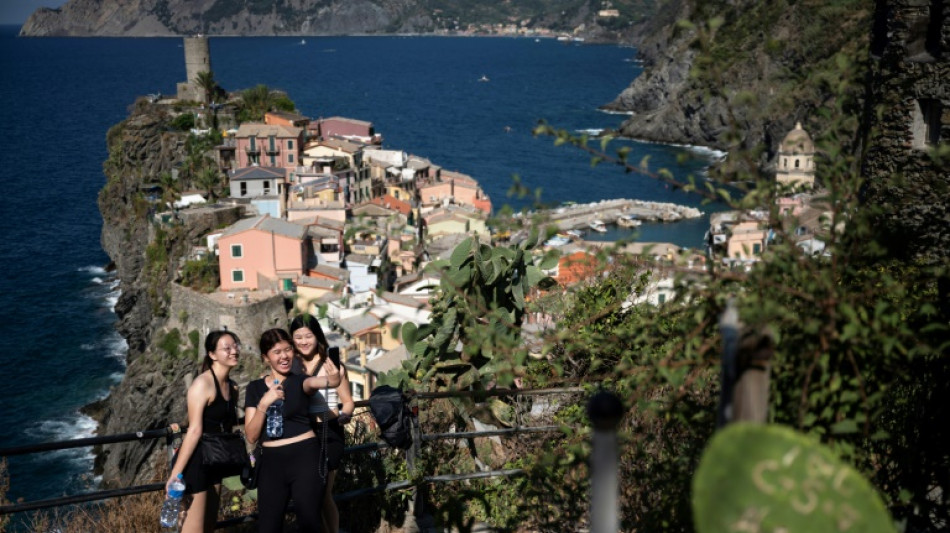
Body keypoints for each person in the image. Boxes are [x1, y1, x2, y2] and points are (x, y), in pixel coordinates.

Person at [245, 328, 341, 533]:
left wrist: (333, 379)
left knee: (310, 523)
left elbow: (323, 382)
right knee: (268, 527)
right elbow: (252, 435)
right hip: (271, 464)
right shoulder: (254, 389)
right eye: (277, 352)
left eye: (288, 350)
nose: (284, 356)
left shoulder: (300, 381)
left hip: (305, 458)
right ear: (266, 358)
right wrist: (264, 403)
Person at [166, 330, 242, 533]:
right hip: (196, 463)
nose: (234, 351)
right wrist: (176, 474)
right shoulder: (202, 384)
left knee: (209, 527)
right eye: (227, 348)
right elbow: (194, 430)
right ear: (212, 354)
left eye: (235, 346)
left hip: (215, 461)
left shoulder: (232, 388)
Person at [289, 315, 355, 533]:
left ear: (317, 336)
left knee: (323, 492)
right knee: (308, 493)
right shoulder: (291, 365)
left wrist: (345, 415)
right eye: (298, 337)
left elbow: (347, 402)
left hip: (329, 432)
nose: (303, 341)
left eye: (308, 336)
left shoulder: (331, 365)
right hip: (301, 433)